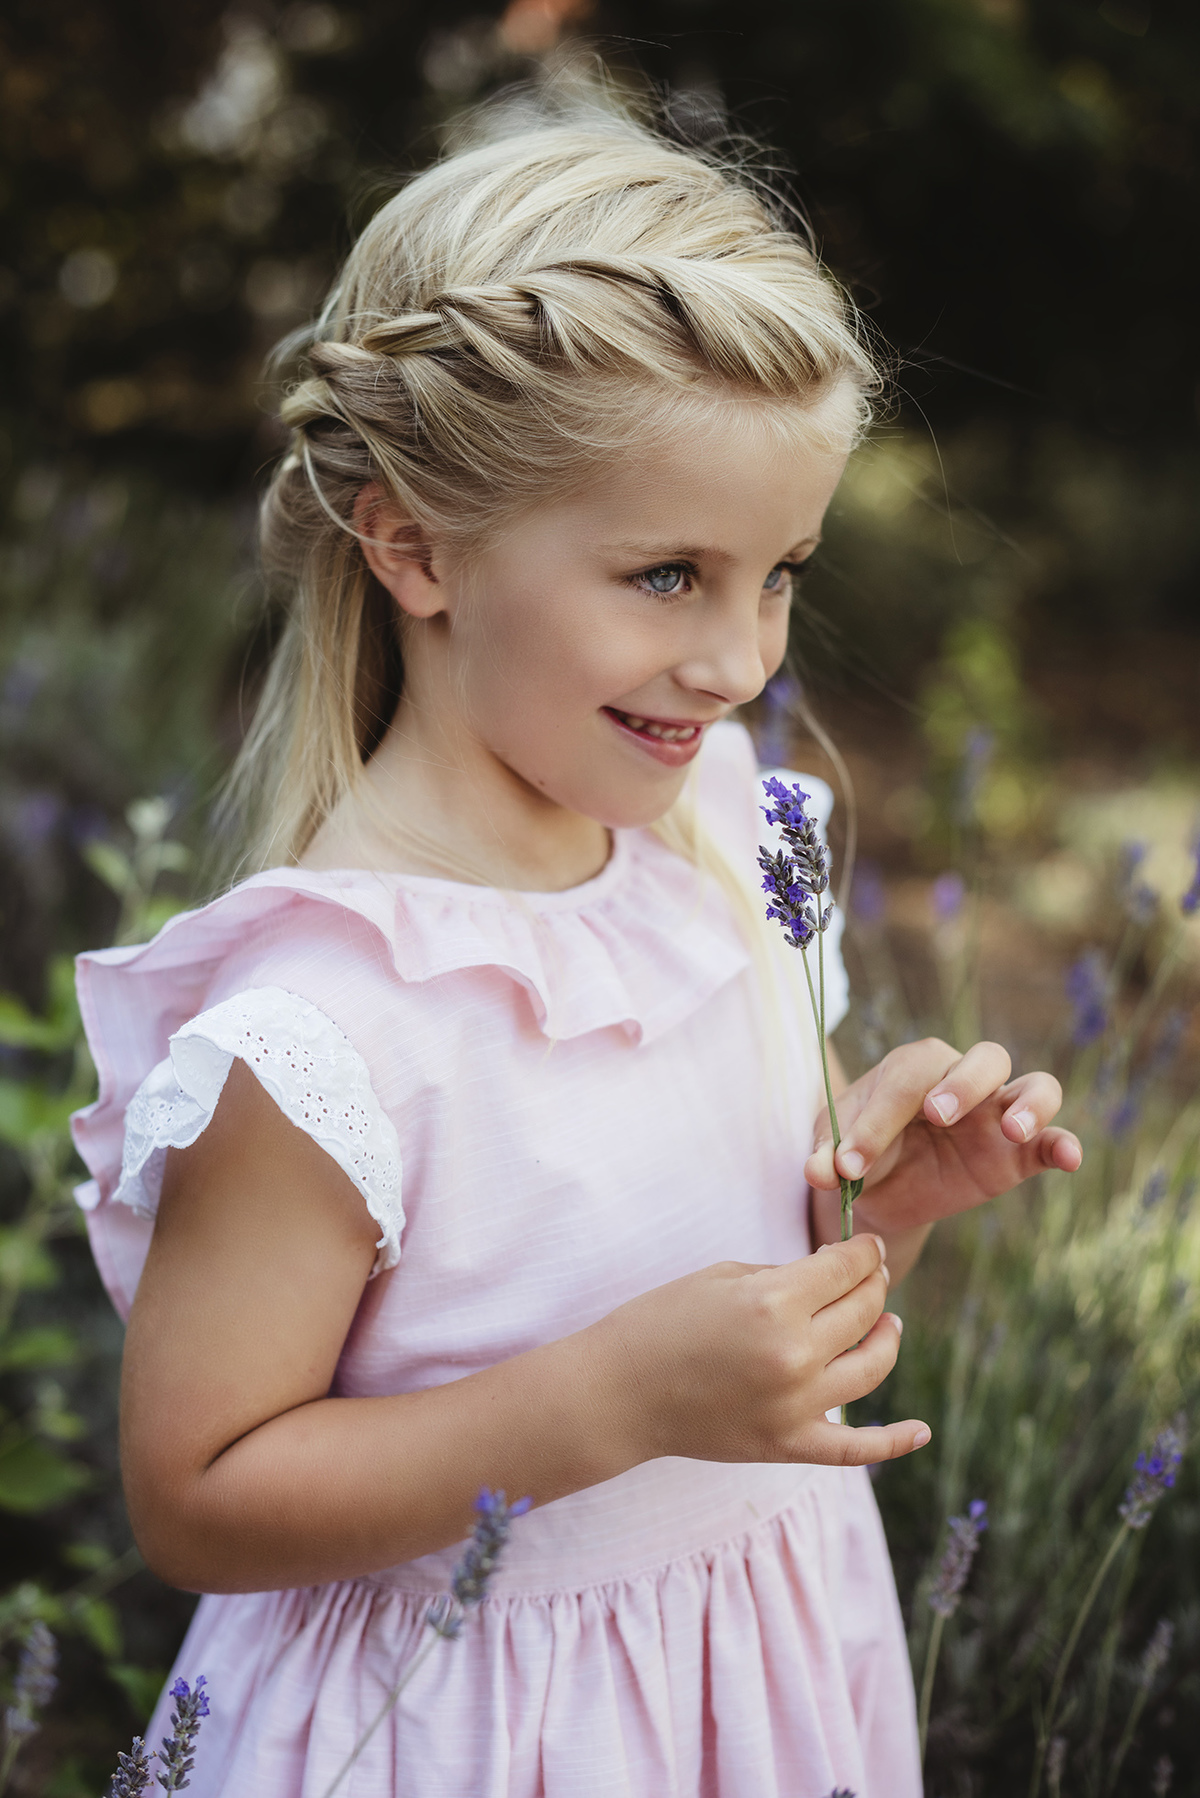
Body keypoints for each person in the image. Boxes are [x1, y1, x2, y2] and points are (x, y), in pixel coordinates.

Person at [71, 90, 1082, 1798]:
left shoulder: (737, 842)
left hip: (750, 1685)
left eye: (781, 574)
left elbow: (733, 1276)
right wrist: (605, 1402)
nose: (742, 657)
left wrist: (875, 1203)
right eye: (670, 575)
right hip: (468, 1728)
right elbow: (198, 1493)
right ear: (413, 543)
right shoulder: (322, 1031)